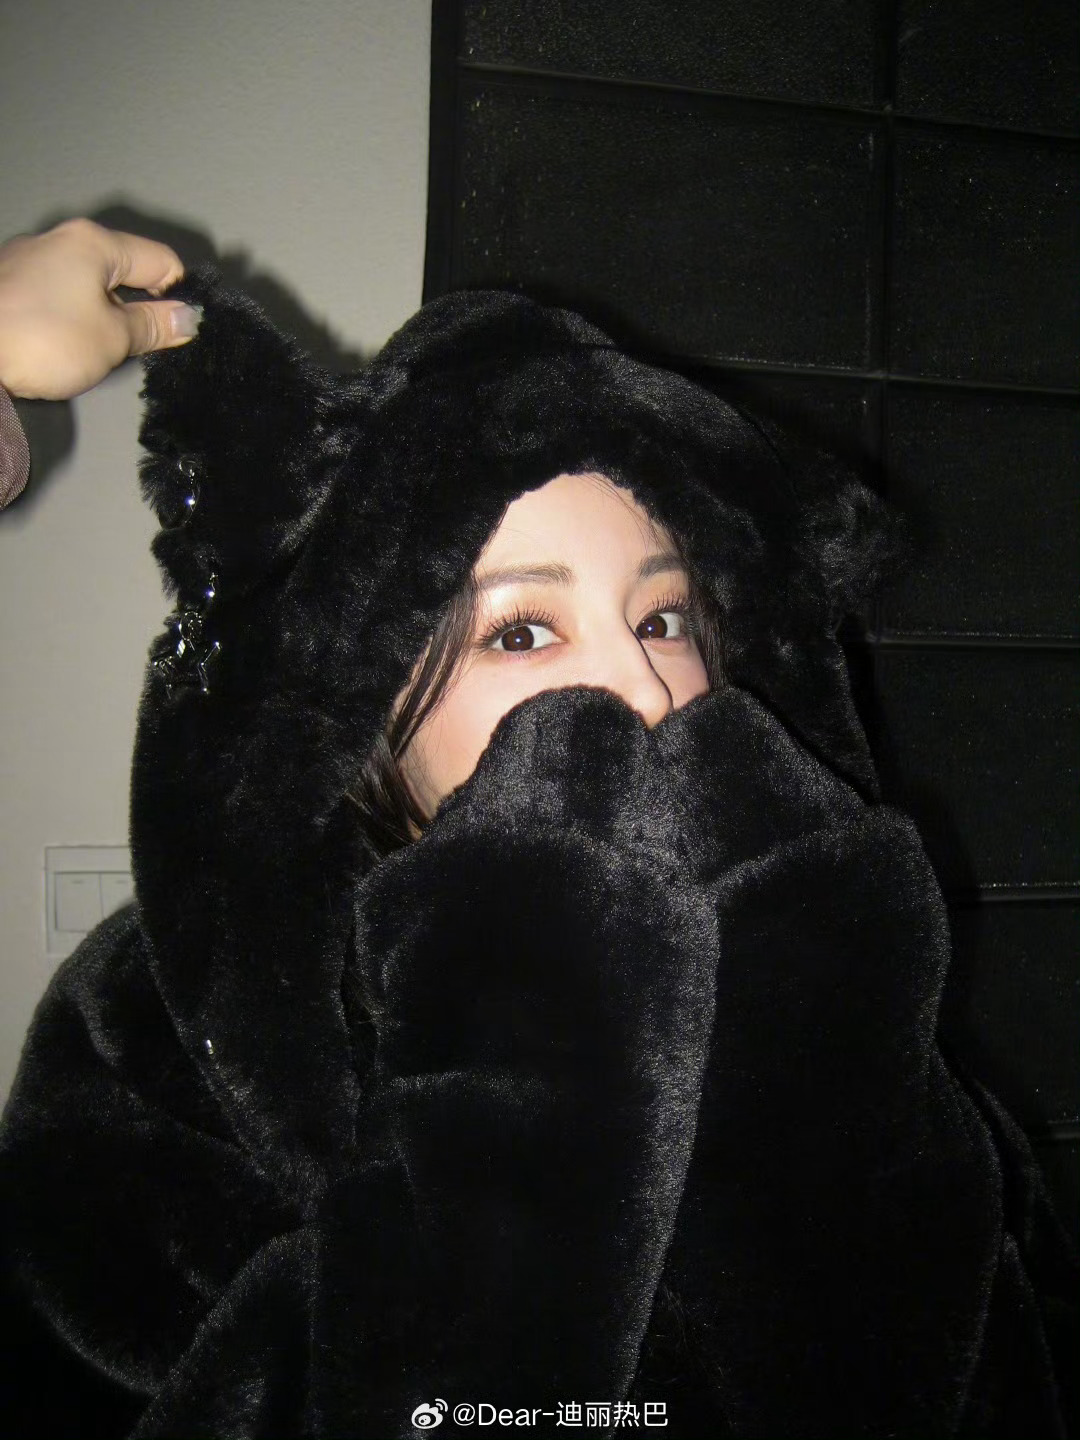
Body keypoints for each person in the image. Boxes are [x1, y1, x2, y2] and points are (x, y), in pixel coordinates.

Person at [0, 221, 1076, 1439]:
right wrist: (528, 1047)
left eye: (664, 619)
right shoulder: (147, 1048)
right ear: (363, 711)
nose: (646, 693)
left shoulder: (812, 945)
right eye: (521, 633)